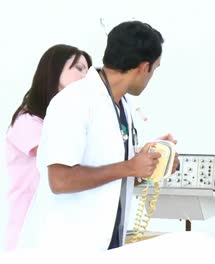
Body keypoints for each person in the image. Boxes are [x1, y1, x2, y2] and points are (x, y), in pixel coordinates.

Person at [18, 21, 177, 252]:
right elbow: (60, 179)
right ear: (144, 67)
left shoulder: (122, 106)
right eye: (156, 68)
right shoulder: (74, 101)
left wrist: (152, 163)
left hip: (103, 246)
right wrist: (130, 167)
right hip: (62, 248)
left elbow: (112, 173)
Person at [4, 44, 92, 251]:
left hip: (55, 228)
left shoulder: (62, 121)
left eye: (87, 71)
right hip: (27, 231)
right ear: (54, 70)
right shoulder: (27, 122)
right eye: (79, 68)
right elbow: (59, 155)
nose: (86, 76)